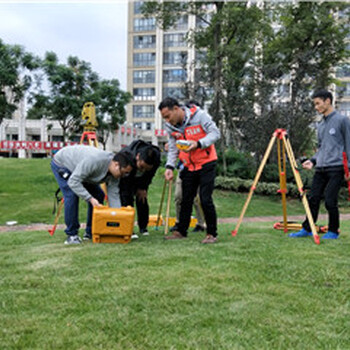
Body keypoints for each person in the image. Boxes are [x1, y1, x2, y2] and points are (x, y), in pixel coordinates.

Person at [289, 89, 350, 240]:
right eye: (315, 104)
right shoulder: (320, 125)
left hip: (336, 167)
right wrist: (313, 160)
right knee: (312, 198)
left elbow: (349, 144)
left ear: (327, 101)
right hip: (321, 167)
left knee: (330, 200)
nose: (316, 107)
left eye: (318, 103)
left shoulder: (343, 121)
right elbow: (321, 148)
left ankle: (333, 231)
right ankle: (307, 228)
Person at [158, 96, 221, 244]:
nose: (167, 121)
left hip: (207, 163)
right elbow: (173, 147)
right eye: (164, 118)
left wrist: (199, 143)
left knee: (205, 199)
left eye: (168, 116)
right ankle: (181, 231)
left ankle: (211, 233)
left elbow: (215, 133)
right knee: (185, 199)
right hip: (188, 166)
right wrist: (169, 166)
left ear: (176, 109)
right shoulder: (170, 126)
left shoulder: (200, 116)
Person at [51, 144, 135, 244]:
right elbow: (73, 182)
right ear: (116, 165)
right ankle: (72, 235)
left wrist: (117, 219)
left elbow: (114, 195)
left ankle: (91, 231)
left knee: (98, 195)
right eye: (124, 172)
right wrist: (90, 198)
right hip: (63, 164)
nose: (124, 176)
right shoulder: (95, 161)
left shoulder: (115, 173)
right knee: (72, 195)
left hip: (83, 171)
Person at [119, 140, 161, 239]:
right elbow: (124, 179)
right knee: (127, 198)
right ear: (137, 157)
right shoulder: (126, 155)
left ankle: (143, 227)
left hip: (142, 180)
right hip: (127, 177)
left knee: (142, 198)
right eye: (142, 167)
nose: (143, 170)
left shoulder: (155, 158)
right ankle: (129, 228)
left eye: (147, 168)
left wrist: (143, 187)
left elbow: (150, 174)